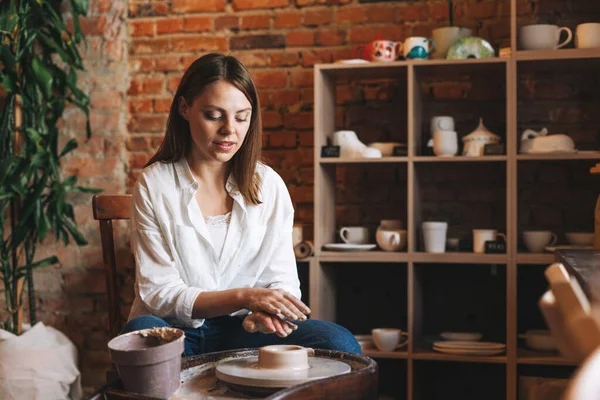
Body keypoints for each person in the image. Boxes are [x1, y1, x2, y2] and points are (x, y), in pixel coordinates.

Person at [122, 53, 361, 357]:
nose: (229, 130)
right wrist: (244, 297)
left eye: (241, 116)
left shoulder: (269, 184)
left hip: (245, 331)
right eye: (213, 115)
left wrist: (268, 316)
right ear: (185, 108)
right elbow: (159, 293)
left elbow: (282, 278)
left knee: (339, 343)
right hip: (177, 333)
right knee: (138, 333)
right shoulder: (154, 184)